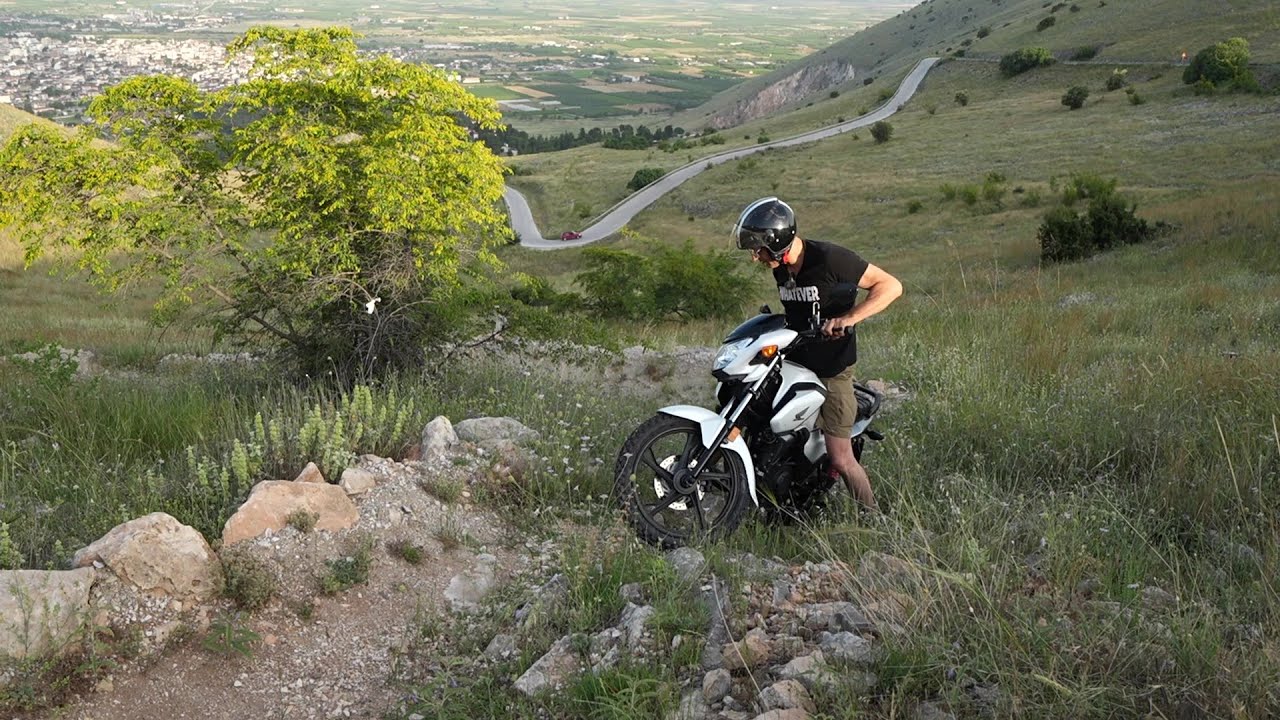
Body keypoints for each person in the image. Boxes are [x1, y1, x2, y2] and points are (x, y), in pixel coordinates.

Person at [732, 197, 902, 512]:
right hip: (793, 362)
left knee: (841, 456)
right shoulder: (782, 268)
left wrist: (848, 319)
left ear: (779, 242)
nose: (755, 257)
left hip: (831, 370)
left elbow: (890, 286)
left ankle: (874, 518)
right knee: (757, 419)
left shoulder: (831, 259)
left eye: (759, 249)